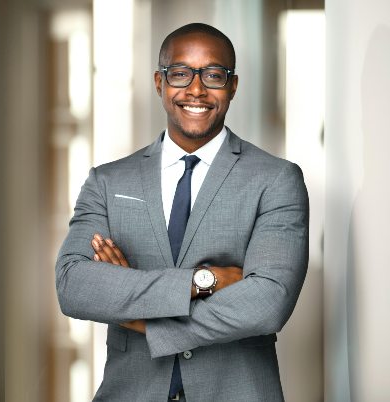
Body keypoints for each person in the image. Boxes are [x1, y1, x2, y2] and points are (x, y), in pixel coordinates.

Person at [56, 23, 309, 401]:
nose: (195, 89)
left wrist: (139, 316)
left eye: (213, 75)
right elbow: (74, 286)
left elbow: (268, 303)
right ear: (159, 83)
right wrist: (202, 281)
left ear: (233, 86)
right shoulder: (108, 182)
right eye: (180, 74)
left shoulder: (276, 180)